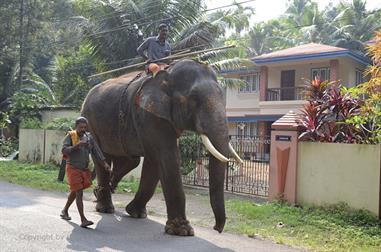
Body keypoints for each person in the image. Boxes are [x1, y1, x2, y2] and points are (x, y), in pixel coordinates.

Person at [60, 116, 111, 228]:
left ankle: (64, 211)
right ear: (76, 127)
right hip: (73, 168)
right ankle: (83, 219)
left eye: (84, 127)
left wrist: (105, 164)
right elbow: (64, 150)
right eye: (80, 127)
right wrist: (77, 146)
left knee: (75, 190)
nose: (83, 129)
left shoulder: (89, 138)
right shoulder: (71, 136)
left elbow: (97, 152)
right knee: (79, 192)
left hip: (84, 169)